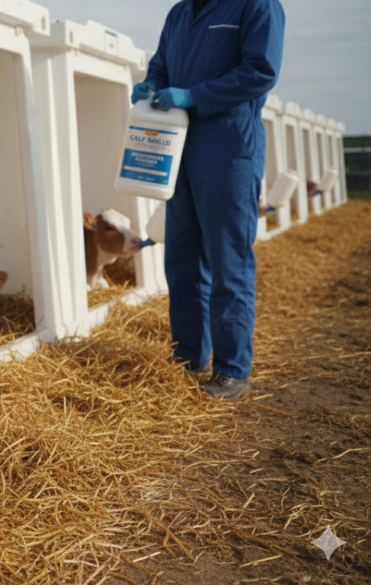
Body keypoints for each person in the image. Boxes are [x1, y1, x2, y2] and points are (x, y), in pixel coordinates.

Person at [133, 0, 285, 400]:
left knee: (227, 262)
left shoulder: (257, 6)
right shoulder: (180, 12)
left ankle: (232, 369)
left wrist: (193, 95)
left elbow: (260, 71)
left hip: (229, 149)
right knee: (181, 260)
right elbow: (161, 64)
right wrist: (151, 85)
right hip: (178, 148)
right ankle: (187, 357)